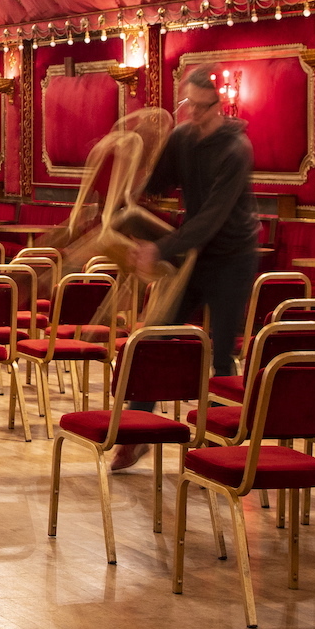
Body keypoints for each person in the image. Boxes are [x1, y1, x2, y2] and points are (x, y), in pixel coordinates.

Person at [116, 65, 260, 470]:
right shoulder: (182, 137)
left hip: (231, 256)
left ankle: (219, 444)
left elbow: (210, 218)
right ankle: (136, 432)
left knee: (221, 351)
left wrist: (160, 249)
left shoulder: (237, 150)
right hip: (193, 255)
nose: (193, 114)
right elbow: (157, 183)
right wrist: (126, 177)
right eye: (187, 105)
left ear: (219, 104)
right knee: (157, 336)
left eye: (201, 107)